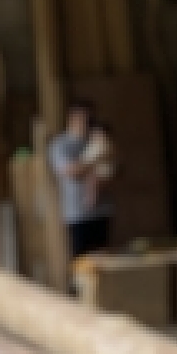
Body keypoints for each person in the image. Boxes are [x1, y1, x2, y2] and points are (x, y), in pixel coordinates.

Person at [49, 101, 115, 259]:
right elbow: (70, 171)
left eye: (90, 118)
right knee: (81, 262)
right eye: (84, 118)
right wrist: (97, 160)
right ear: (73, 118)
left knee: (103, 258)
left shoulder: (95, 139)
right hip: (77, 214)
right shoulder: (61, 145)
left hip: (101, 210)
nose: (88, 122)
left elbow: (112, 164)